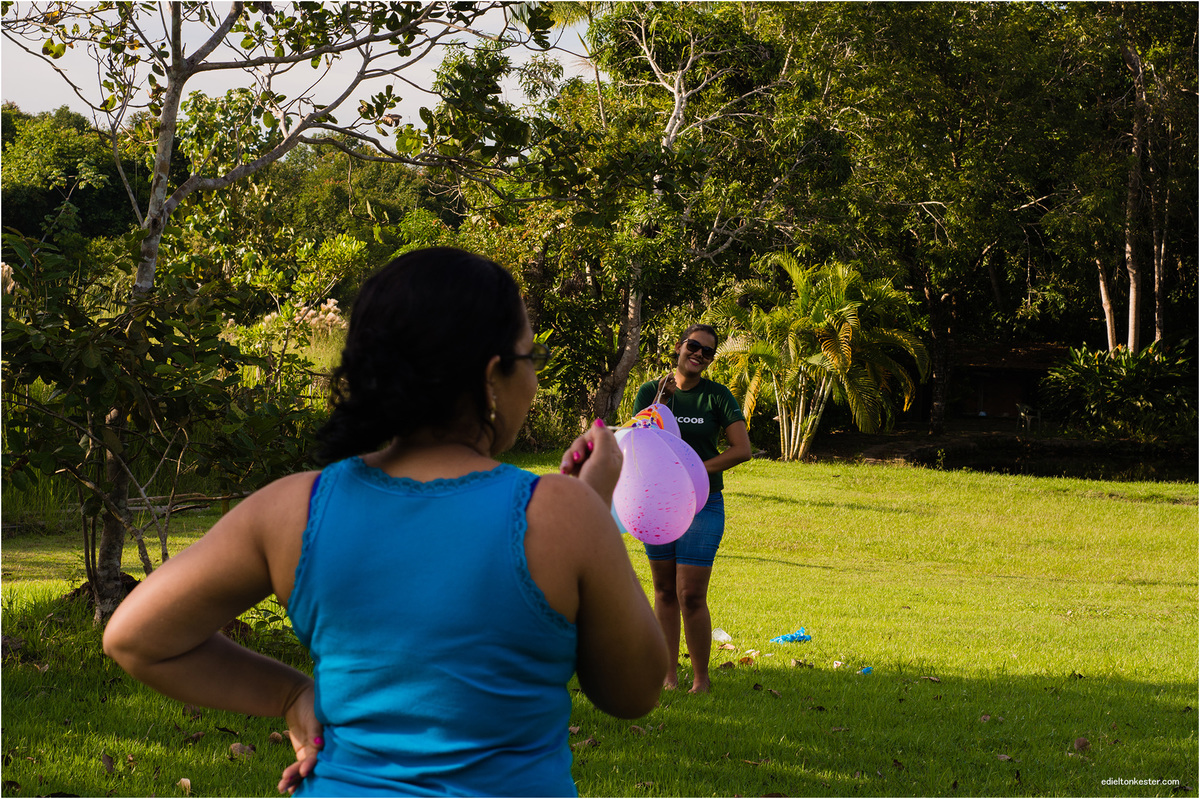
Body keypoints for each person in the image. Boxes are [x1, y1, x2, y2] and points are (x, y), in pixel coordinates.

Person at [103, 247, 669, 797]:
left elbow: (135, 638)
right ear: (493, 374)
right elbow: (634, 691)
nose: (535, 380)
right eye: (531, 360)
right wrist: (592, 511)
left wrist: (292, 695)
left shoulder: (292, 510)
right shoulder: (564, 513)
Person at [631, 324, 752, 694]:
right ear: (680, 346)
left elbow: (741, 449)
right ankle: (669, 676)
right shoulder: (651, 391)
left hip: (702, 503)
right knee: (664, 590)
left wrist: (695, 469)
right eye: (694, 346)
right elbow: (636, 439)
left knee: (690, 594)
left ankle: (701, 679)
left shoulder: (717, 396)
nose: (699, 354)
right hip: (657, 504)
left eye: (707, 352)